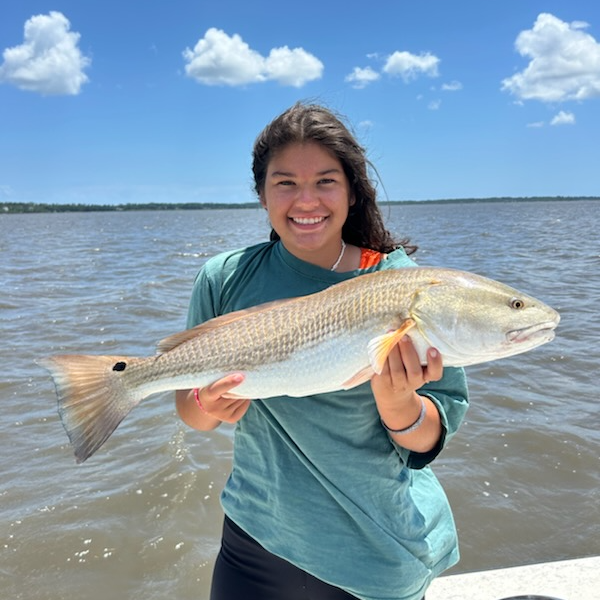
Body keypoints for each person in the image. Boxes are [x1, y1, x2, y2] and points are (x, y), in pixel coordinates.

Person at [175, 103, 469, 600]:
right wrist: (208, 406)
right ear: (262, 194)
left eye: (326, 182)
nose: (306, 200)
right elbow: (190, 412)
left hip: (375, 549)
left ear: (352, 192)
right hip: (254, 539)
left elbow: (429, 439)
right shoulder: (224, 278)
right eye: (285, 182)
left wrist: (400, 408)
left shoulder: (405, 288)